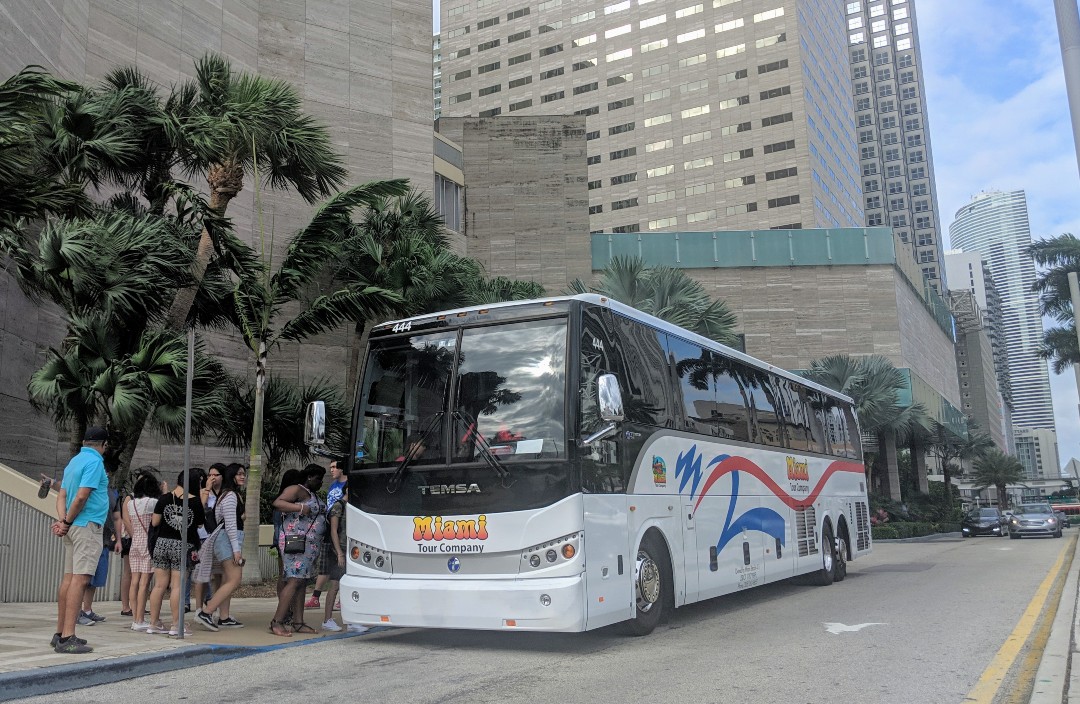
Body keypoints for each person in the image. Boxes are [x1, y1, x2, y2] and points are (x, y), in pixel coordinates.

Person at [50, 426, 111, 654]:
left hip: (73, 525)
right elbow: (82, 495)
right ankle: (68, 637)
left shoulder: (73, 462)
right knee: (80, 580)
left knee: (68, 579)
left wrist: (63, 520)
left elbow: (63, 495)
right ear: (104, 445)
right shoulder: (95, 462)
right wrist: (67, 521)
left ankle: (59, 633)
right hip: (87, 525)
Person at [269, 464, 327, 637]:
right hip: (297, 543)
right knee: (294, 580)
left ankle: (298, 622)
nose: (321, 483)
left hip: (310, 545)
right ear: (309, 477)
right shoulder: (297, 489)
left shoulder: (311, 494)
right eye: (318, 479)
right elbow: (278, 503)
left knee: (301, 581)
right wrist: (300, 508)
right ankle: (277, 621)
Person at [147, 469, 204, 637]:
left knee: (159, 585)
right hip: (183, 545)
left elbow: (155, 521)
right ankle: (176, 624)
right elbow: (200, 524)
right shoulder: (194, 502)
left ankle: (154, 623)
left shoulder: (164, 498)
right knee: (177, 586)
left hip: (162, 544)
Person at [193, 464, 246, 631]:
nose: (242, 477)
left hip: (227, 539)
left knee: (227, 579)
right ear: (231, 476)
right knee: (234, 579)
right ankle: (207, 611)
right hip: (227, 540)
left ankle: (223, 616)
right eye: (239, 474)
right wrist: (236, 551)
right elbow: (229, 525)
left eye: (243, 474)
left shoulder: (227, 495)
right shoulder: (230, 496)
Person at [79, 465, 123, 626]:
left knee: (96, 578)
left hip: (104, 540)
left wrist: (118, 540)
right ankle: (76, 612)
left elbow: (117, 518)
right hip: (89, 536)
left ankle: (87, 610)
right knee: (83, 578)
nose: (105, 474)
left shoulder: (112, 493)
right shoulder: (88, 488)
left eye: (107, 471)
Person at [123, 470, 160, 631]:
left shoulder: (130, 503)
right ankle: (140, 619)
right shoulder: (152, 502)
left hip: (135, 543)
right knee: (144, 584)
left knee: (134, 582)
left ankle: (134, 619)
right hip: (148, 544)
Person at [306, 460, 345, 609]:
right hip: (329, 528)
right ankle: (315, 597)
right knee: (324, 563)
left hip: (341, 530)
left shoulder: (347, 485)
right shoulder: (333, 485)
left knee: (341, 565)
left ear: (342, 469)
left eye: (334, 467)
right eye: (331, 468)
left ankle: (342, 598)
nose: (332, 470)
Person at [320, 482, 356, 632]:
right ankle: (327, 619)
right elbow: (333, 531)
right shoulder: (338, 506)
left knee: (350, 585)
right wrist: (339, 553)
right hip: (338, 550)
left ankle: (353, 619)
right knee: (334, 585)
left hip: (351, 549)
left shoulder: (354, 507)